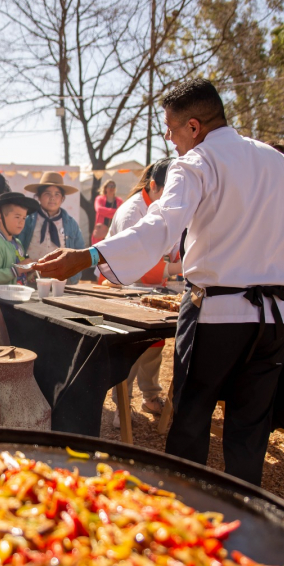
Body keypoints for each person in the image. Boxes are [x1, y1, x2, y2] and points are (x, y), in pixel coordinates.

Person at [34, 78, 284, 487]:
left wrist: (90, 254)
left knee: (191, 418)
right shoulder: (276, 163)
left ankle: (183, 509)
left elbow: (161, 226)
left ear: (194, 126)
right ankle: (245, 515)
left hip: (218, 315)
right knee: (250, 425)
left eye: (170, 127)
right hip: (274, 318)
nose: (169, 137)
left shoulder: (195, 162)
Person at [107, 159, 183, 427]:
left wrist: (176, 261)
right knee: (134, 348)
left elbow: (173, 248)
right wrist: (177, 266)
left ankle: (151, 396)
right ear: (153, 186)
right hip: (124, 286)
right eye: (168, 190)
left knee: (155, 345)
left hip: (154, 287)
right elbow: (135, 263)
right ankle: (122, 406)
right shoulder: (132, 211)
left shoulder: (172, 208)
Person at [18, 172, 85, 285]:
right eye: (47, 193)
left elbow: (80, 252)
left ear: (62, 198)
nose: (52, 198)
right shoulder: (28, 220)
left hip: (61, 280)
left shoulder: (70, 224)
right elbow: (17, 245)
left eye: (57, 194)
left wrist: (73, 276)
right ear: (38, 197)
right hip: (32, 279)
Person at [0, 192, 40, 286]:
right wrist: (18, 269)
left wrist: (29, 272)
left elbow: (20, 273)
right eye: (17, 217)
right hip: (1, 300)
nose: (21, 222)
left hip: (18, 296)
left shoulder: (17, 243)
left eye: (24, 218)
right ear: (1, 217)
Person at [92, 180, 123, 244]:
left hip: (114, 231)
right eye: (110, 186)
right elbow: (99, 209)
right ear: (105, 188)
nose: (112, 188)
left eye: (113, 186)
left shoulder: (119, 201)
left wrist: (105, 212)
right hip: (100, 232)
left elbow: (121, 213)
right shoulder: (99, 199)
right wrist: (114, 212)